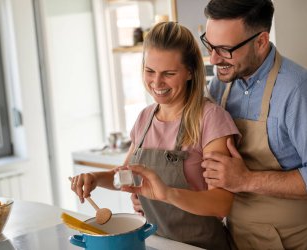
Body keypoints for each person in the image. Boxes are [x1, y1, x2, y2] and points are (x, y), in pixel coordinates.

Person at [71, 21, 240, 249]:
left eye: (169, 73)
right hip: (155, 243)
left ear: (190, 72)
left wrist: (167, 194)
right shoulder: (145, 118)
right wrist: (94, 178)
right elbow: (123, 177)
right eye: (150, 71)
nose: (156, 82)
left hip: (200, 246)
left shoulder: (211, 118)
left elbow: (221, 203)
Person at [197, 0, 307, 249]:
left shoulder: (298, 90)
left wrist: (246, 180)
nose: (213, 59)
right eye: (209, 45)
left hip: (290, 241)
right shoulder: (220, 85)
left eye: (224, 49)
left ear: (261, 41)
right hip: (234, 235)